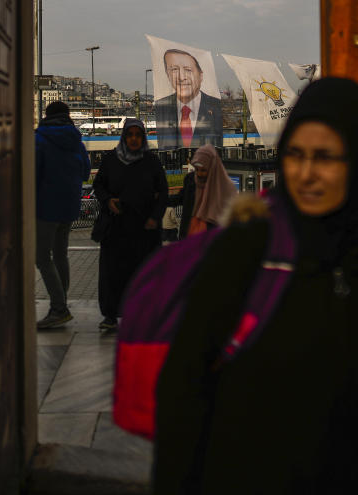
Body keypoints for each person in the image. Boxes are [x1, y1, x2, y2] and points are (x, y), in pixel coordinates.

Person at [153, 77, 358, 495]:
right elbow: (185, 383)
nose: (305, 174)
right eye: (296, 155)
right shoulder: (249, 247)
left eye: (325, 157)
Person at [93, 118, 168, 332]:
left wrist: (155, 216)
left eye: (138, 135)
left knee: (144, 273)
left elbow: (162, 191)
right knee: (112, 273)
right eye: (130, 135)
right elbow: (98, 184)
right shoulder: (111, 159)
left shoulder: (151, 161)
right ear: (124, 137)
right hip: (116, 228)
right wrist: (108, 200)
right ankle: (110, 314)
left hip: (144, 229)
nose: (134, 139)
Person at [35, 101, 91, 329]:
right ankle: (62, 302)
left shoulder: (39, 139)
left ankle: (59, 308)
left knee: (41, 257)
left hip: (45, 207)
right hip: (69, 207)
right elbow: (86, 172)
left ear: (47, 115)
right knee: (60, 254)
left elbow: (33, 174)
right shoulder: (76, 141)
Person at [155, 48, 223, 149]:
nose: (181, 77)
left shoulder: (216, 106)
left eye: (188, 70)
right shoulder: (161, 107)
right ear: (167, 75)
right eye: (174, 69)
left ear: (201, 76)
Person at [166, 144, 237, 239]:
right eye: (196, 169)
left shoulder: (224, 187)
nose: (199, 174)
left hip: (212, 239)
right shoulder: (190, 180)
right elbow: (180, 198)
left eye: (203, 170)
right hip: (189, 237)